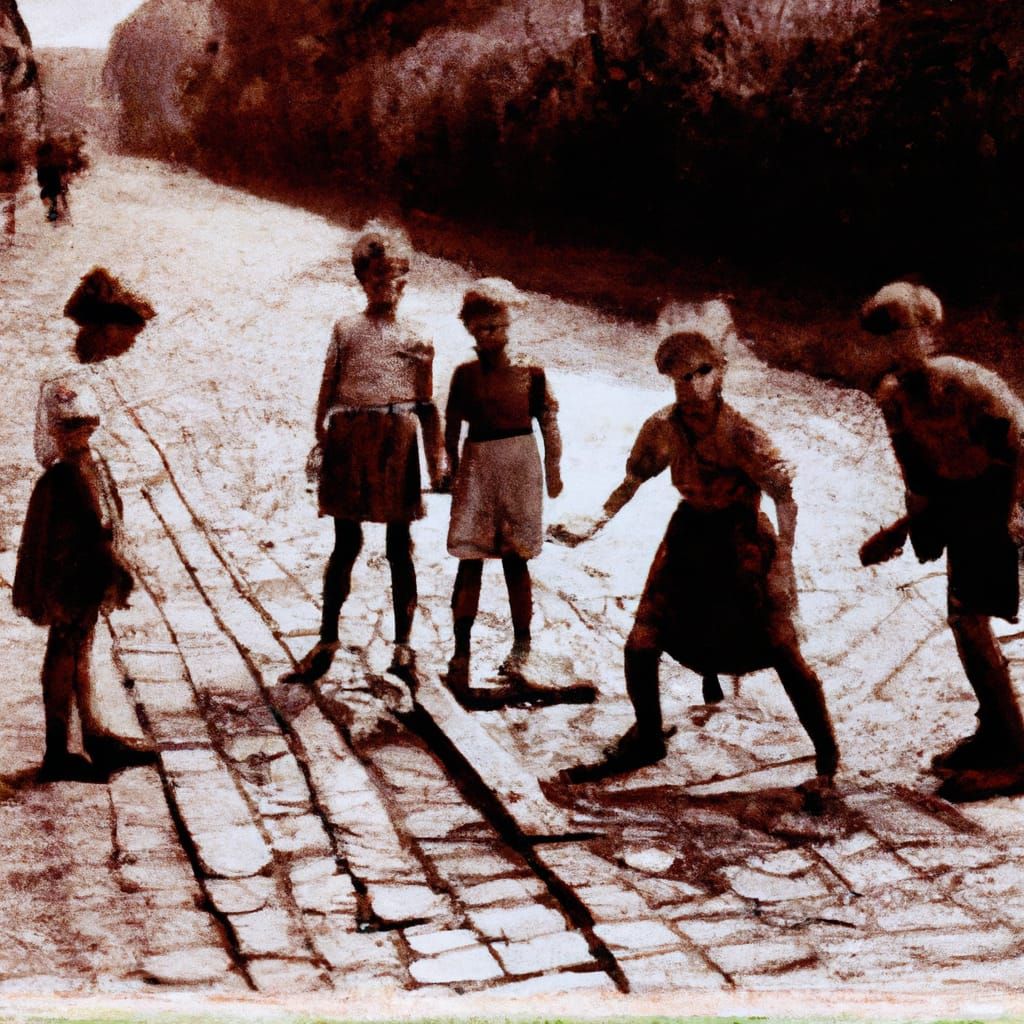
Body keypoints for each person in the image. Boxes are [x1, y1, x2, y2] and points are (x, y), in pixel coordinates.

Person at [553, 325, 839, 784]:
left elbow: (784, 496)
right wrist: (596, 520)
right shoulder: (663, 427)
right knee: (643, 640)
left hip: (741, 543)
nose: (690, 387)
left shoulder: (741, 434)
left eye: (699, 374)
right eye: (679, 378)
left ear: (719, 372)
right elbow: (633, 480)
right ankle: (648, 737)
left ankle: (826, 752)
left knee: (781, 647)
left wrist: (783, 563)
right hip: (689, 538)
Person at [857, 281, 1024, 801]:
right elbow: (920, 478)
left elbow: (1015, 451)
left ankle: (1017, 753)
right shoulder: (893, 400)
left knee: (971, 620)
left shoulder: (966, 383)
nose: (898, 348)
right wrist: (902, 531)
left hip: (997, 498)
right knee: (964, 620)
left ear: (928, 334)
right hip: (961, 506)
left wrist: (1006, 518)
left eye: (907, 334)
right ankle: (996, 729)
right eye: (887, 340)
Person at [285, 229, 447, 686]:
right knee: (345, 543)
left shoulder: (418, 335)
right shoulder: (346, 329)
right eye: (376, 278)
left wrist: (437, 461)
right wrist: (321, 429)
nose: (385, 286)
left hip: (397, 438)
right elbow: (330, 381)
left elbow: (427, 403)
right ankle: (327, 638)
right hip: (351, 437)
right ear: (361, 280)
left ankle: (403, 645)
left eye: (393, 277)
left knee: (399, 546)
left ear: (405, 280)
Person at [442, 279, 591, 707]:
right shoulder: (465, 375)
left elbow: (548, 421)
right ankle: (461, 651)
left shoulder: (531, 371)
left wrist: (554, 468)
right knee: (470, 556)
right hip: (478, 464)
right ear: (469, 329)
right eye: (480, 329)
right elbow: (451, 425)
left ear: (508, 324)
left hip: (520, 463)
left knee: (516, 556)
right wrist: (450, 467)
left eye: (496, 326)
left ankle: (522, 646)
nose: (489, 336)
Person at [13, 387, 156, 781]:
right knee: (64, 649)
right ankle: (58, 749)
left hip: (89, 573)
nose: (79, 436)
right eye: (70, 428)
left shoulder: (92, 465)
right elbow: (51, 538)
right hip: (67, 578)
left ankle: (93, 734)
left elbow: (108, 515)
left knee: (83, 648)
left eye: (85, 427)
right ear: (55, 432)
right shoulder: (59, 479)